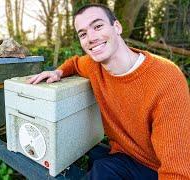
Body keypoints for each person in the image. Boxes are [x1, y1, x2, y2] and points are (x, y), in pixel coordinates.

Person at [27, 3, 190, 180]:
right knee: (94, 161)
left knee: (103, 170)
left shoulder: (166, 79)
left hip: (155, 168)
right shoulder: (94, 65)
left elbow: (177, 171)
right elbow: (74, 63)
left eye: (97, 26)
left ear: (117, 27)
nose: (90, 38)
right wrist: (58, 72)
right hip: (123, 155)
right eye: (83, 34)